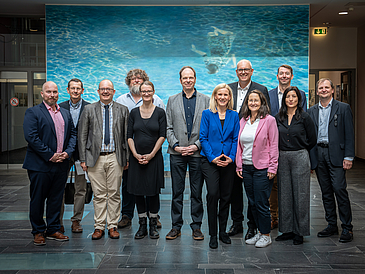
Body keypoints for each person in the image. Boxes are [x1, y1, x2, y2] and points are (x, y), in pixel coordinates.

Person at [23, 81, 76, 246]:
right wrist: (50, 155)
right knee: (38, 199)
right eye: (49, 92)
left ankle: (53, 229)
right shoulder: (33, 112)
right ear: (42, 93)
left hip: (61, 165)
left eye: (55, 92)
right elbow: (31, 137)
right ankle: (38, 231)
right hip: (40, 165)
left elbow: (73, 134)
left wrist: (68, 152)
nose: (52, 95)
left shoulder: (65, 113)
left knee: (56, 198)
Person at [78, 79, 129, 240]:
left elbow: (126, 136)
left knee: (114, 193)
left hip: (115, 156)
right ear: (98, 91)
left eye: (108, 89)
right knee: (99, 194)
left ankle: (112, 225)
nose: (105, 91)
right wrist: (83, 159)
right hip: (95, 158)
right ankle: (99, 226)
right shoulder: (89, 109)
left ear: (114, 92)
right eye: (102, 89)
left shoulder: (123, 110)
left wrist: (126, 158)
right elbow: (82, 136)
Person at [227, 59, 271, 240]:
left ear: (251, 71)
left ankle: (253, 227)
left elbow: (266, 119)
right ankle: (237, 223)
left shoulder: (261, 89)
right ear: (236, 72)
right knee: (234, 190)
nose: (243, 72)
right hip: (233, 145)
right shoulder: (228, 88)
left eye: (246, 69)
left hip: (253, 148)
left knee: (254, 195)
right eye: (240, 70)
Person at [116, 69, 165, 229]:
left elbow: (162, 131)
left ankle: (153, 218)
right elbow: (123, 131)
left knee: (152, 188)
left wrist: (151, 155)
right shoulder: (122, 100)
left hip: (152, 156)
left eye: (139, 79)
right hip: (130, 153)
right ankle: (127, 215)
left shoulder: (157, 102)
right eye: (133, 79)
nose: (136, 81)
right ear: (128, 82)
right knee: (130, 186)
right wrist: (132, 155)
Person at [308, 78, 355, 243]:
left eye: (326, 87)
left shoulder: (343, 108)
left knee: (339, 189)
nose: (323, 90)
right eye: (320, 88)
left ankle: (347, 228)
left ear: (332, 90)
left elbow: (349, 133)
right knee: (326, 192)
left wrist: (348, 156)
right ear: (317, 90)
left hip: (336, 154)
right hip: (318, 153)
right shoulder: (311, 111)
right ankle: (331, 225)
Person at [166, 66, 210, 240]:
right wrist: (176, 145)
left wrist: (197, 146)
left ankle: (196, 226)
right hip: (177, 153)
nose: (188, 80)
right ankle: (176, 226)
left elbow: (208, 128)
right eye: (185, 78)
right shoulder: (172, 100)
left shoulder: (206, 100)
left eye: (191, 77)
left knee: (197, 192)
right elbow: (168, 127)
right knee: (177, 192)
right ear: (180, 80)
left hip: (197, 154)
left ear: (195, 79)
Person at [235, 90, 278, 248]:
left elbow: (273, 145)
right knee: (252, 203)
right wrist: (239, 164)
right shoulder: (243, 120)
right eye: (250, 100)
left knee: (261, 203)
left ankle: (266, 235)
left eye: (256, 100)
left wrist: (273, 166)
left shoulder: (269, 120)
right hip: (246, 168)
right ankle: (259, 233)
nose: (253, 103)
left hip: (262, 168)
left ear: (262, 103)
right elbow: (239, 146)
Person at [275, 86, 316, 245]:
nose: (290, 99)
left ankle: (300, 231)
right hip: (282, 157)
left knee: (301, 195)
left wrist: (301, 148)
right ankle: (287, 230)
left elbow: (312, 139)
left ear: (299, 99)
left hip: (300, 156)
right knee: (284, 195)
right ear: (284, 99)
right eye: (288, 96)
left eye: (294, 96)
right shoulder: (278, 117)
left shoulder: (305, 117)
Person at [199, 83, 239, 249]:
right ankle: (213, 234)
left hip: (228, 162)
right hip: (210, 161)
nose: (222, 97)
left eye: (226, 95)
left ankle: (223, 232)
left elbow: (236, 138)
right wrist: (213, 158)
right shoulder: (207, 114)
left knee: (226, 197)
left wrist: (230, 157)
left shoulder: (234, 115)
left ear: (229, 97)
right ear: (215, 96)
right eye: (219, 94)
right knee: (213, 194)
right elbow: (203, 138)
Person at [268, 65, 307, 230]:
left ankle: (294, 224)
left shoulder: (301, 95)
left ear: (291, 76)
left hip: (293, 149)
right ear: (277, 76)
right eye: (281, 73)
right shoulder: (268, 95)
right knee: (274, 185)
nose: (284, 76)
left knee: (294, 187)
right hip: (272, 147)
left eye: (287, 73)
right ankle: (274, 217)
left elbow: (304, 125)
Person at [127, 81, 166, 239]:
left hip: (154, 158)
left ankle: (152, 224)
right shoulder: (134, 113)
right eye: (144, 91)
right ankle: (142, 224)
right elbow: (129, 136)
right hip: (136, 159)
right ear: (140, 92)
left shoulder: (160, 112)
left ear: (153, 92)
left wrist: (150, 155)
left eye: (149, 91)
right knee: (138, 192)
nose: (146, 94)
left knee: (152, 192)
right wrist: (136, 154)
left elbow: (162, 135)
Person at [59, 78, 89, 233]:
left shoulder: (89, 107)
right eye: (73, 88)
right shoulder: (60, 107)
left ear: (82, 90)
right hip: (63, 153)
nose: (75, 91)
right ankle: (58, 221)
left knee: (81, 189)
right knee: (59, 187)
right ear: (68, 90)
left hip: (81, 154)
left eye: (78, 88)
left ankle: (76, 220)